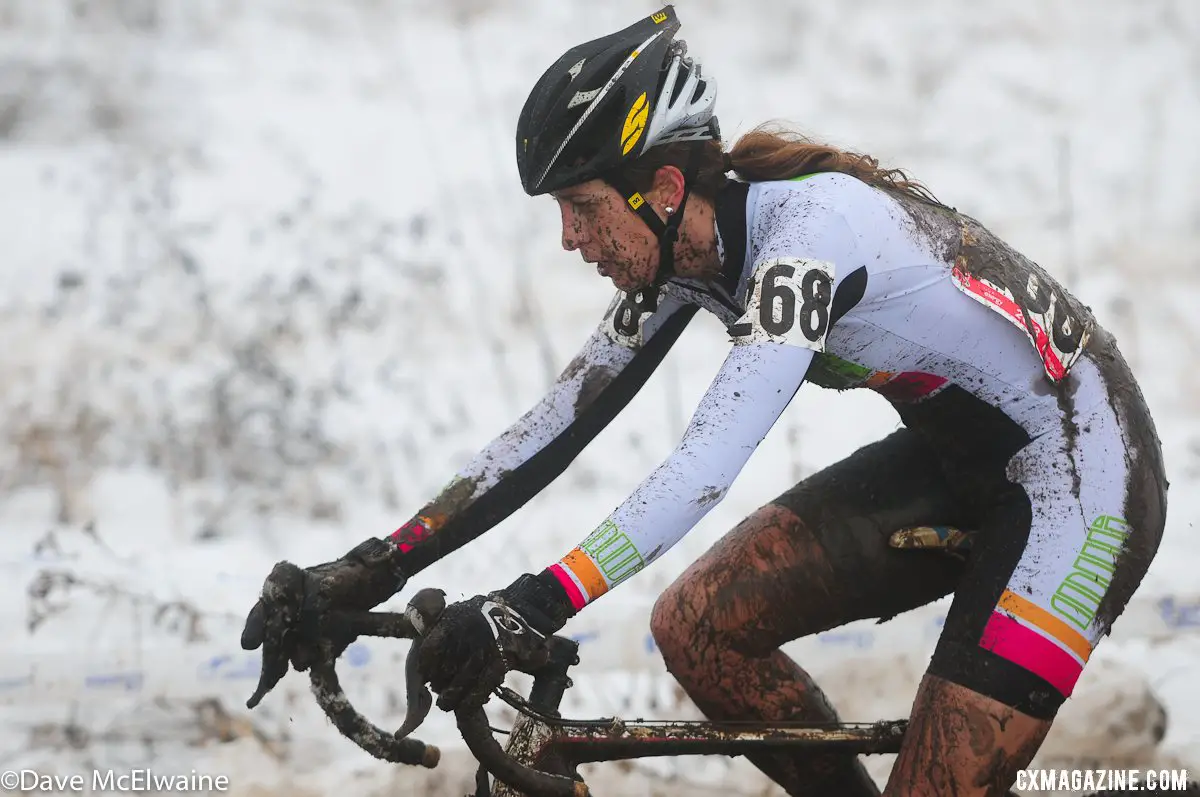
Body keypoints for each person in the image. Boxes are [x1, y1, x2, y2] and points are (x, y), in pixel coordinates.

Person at [239, 6, 1168, 796]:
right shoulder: (689, 256)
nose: (571, 239)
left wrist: (529, 604)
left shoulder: (807, 240)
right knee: (697, 628)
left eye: (583, 207)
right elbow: (549, 431)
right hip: (958, 458)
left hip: (1081, 479)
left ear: (664, 187)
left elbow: (702, 468)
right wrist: (371, 568)